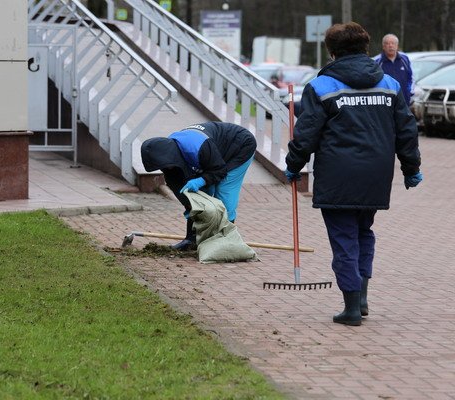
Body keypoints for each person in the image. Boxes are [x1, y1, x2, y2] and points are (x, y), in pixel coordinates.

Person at [284, 22, 422, 326]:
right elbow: (407, 131)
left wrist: (293, 165)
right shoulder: (389, 85)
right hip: (376, 174)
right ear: (367, 49)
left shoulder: (321, 87)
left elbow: (305, 135)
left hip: (337, 175)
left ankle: (351, 308)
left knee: (344, 238)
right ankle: (361, 298)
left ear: (332, 53)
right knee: (363, 232)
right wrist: (411, 169)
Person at [141, 122, 256, 250]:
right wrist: (190, 205)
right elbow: (177, 185)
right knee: (200, 193)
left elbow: (219, 170)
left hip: (239, 145)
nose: (166, 169)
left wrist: (200, 181)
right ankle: (191, 240)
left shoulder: (196, 147)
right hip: (214, 154)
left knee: (224, 190)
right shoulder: (167, 155)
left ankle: (226, 240)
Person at [373, 33, 414, 105]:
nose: (390, 46)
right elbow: (373, 81)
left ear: (397, 46)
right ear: (383, 46)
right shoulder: (377, 61)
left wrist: (409, 92)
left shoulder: (404, 58)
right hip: (385, 102)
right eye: (387, 43)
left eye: (393, 43)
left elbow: (411, 77)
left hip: (404, 101)